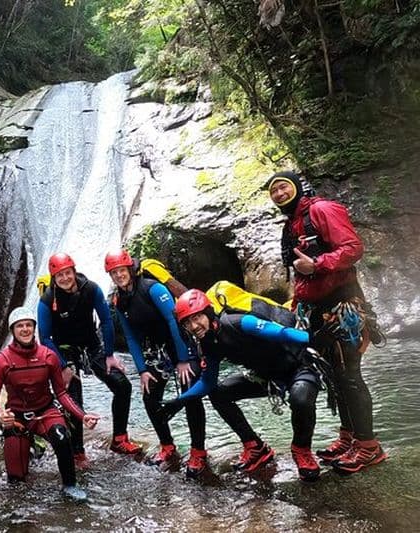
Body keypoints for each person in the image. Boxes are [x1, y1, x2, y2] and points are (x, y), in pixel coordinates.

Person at [265, 170, 386, 474]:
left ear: (296, 187)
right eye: (273, 191)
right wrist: (297, 309)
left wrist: (318, 263)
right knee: (335, 376)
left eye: (283, 187)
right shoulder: (291, 226)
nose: (279, 194)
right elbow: (300, 276)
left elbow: (353, 248)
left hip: (341, 306)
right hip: (315, 310)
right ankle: (349, 438)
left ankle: (369, 447)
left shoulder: (321, 210)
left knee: (349, 376)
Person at [161, 289, 323, 481]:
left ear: (208, 312)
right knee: (218, 393)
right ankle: (255, 447)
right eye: (187, 322)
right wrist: (179, 401)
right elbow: (207, 383)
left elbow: (281, 333)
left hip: (298, 367)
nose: (194, 326)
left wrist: (312, 339)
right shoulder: (208, 343)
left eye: (197, 318)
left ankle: (301, 449)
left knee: (300, 398)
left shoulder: (238, 322)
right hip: (267, 377)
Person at [104, 250, 208, 477]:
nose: (119, 275)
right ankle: (167, 446)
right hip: (157, 351)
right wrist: (141, 370)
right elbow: (130, 337)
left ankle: (198, 451)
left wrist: (182, 359)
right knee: (150, 396)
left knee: (190, 394)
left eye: (122, 270)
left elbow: (173, 321)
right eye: (114, 273)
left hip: (180, 343)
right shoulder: (119, 300)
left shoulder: (153, 288)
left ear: (130, 269)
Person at [0, 306, 99, 501]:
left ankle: (69, 487)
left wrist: (82, 415)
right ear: (13, 331)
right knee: (16, 481)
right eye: (20, 326)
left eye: (29, 325)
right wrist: (0, 416)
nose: (25, 329)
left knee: (61, 437)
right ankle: (31, 450)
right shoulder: (2, 361)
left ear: (34, 328)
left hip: (45, 412)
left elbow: (61, 393)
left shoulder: (49, 356)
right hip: (17, 418)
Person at [37, 253, 141, 467]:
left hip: (91, 344)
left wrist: (110, 354)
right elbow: (45, 338)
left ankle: (120, 439)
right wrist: (63, 366)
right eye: (60, 275)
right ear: (54, 278)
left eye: (68, 273)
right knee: (74, 397)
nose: (65, 278)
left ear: (74, 272)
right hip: (64, 350)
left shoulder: (91, 289)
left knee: (122, 386)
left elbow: (105, 321)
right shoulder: (48, 299)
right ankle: (77, 452)